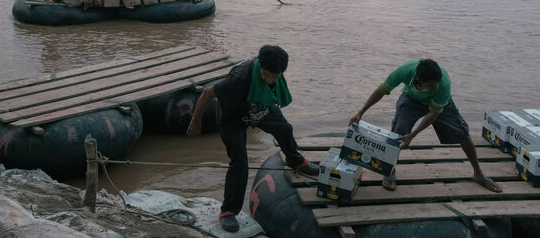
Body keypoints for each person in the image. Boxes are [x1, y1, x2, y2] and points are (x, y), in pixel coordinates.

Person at [186, 45, 319, 233]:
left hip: (259, 106)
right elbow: (208, 93)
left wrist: (271, 81)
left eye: (275, 77)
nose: (269, 80)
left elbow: (271, 85)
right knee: (240, 163)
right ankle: (228, 212)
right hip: (232, 118)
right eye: (265, 75)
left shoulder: (274, 75)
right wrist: (196, 121)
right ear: (260, 67)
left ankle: (296, 160)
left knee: (284, 128)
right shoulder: (239, 79)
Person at [348, 59, 502, 193]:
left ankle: (478, 173)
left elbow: (433, 114)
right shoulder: (405, 71)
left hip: (440, 105)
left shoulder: (443, 84)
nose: (436, 87)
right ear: (419, 80)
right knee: (398, 133)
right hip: (411, 99)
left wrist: (413, 135)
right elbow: (382, 90)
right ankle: (390, 170)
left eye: (437, 83)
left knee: (463, 133)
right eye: (431, 85)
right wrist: (360, 112)